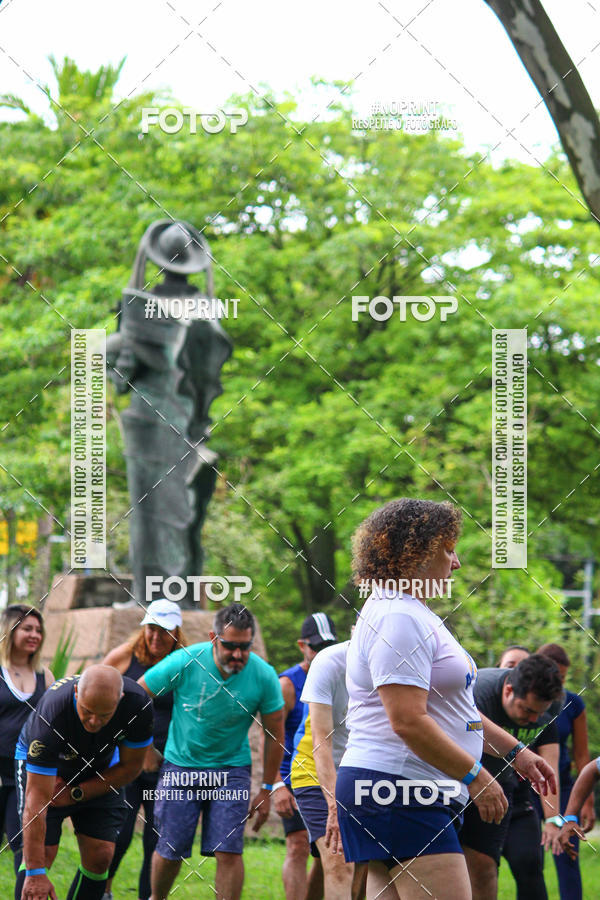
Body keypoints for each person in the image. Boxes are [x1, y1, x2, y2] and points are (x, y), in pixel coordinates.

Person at [335, 498, 555, 900]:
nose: (457, 563)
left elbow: (453, 711)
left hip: (396, 788)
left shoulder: (407, 611)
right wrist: (476, 776)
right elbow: (407, 721)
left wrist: (515, 752)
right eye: (448, 550)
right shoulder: (398, 617)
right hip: (399, 788)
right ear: (414, 553)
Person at [138, 602, 285, 900]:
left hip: (231, 770)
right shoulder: (187, 660)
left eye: (245, 647)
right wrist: (145, 749)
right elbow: (137, 694)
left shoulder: (263, 675)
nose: (238, 655)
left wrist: (267, 788)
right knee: (170, 848)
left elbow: (275, 733)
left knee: (229, 850)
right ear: (213, 638)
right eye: (230, 646)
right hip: (181, 766)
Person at [14, 665, 153, 900]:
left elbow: (131, 767)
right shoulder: (52, 715)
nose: (94, 721)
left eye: (104, 715)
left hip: (100, 768)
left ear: (119, 699)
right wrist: (36, 874)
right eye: (87, 711)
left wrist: (76, 793)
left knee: (101, 855)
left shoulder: (137, 706)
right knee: (42, 853)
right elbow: (35, 802)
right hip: (50, 771)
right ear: (77, 692)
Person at [101, 599, 187, 900]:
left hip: (168, 766)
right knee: (119, 832)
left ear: (176, 632)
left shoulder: (184, 662)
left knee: (157, 839)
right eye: (151, 629)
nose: (156, 637)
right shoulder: (125, 656)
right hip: (126, 761)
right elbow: (92, 692)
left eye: (164, 631)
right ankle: (104, 890)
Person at [459, 654, 563, 900]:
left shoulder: (551, 705)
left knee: (484, 866)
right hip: (452, 782)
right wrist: (475, 777)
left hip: (499, 785)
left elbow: (549, 765)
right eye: (527, 710)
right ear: (508, 690)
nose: (534, 720)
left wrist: (553, 818)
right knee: (443, 865)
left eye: (540, 713)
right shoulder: (478, 692)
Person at [274, 613, 338, 900]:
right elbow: (271, 736)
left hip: (328, 772)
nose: (322, 653)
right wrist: (277, 784)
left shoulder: (340, 673)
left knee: (328, 854)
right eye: (316, 647)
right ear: (302, 646)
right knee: (298, 844)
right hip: (295, 775)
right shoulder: (288, 683)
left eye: (328, 646)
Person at [537, 642, 594, 900]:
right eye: (555, 676)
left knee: (567, 851)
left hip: (561, 788)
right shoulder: (523, 698)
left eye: (563, 677)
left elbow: (582, 755)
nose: (560, 683)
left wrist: (586, 802)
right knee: (528, 856)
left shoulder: (572, 703)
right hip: (526, 787)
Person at [0, 605, 53, 874]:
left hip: (25, 774)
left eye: (38, 630)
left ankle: (28, 889)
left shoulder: (45, 675)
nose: (34, 635)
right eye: (27, 629)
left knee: (24, 843)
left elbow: (54, 724)